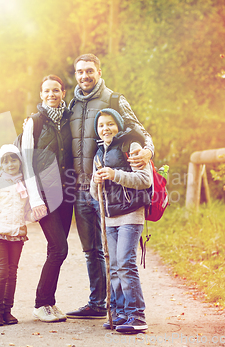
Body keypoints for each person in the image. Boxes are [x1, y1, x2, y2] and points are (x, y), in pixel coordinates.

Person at [66, 53, 155, 319]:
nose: (84, 76)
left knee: (115, 254)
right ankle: (98, 304)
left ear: (99, 72)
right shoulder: (72, 105)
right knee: (91, 250)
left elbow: (140, 131)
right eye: (80, 71)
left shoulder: (115, 100)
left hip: (110, 190)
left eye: (89, 71)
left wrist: (148, 151)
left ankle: (124, 309)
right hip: (83, 187)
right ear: (76, 74)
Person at [90, 108, 152, 332]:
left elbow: (145, 180)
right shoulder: (99, 154)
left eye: (110, 124)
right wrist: (96, 180)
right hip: (110, 217)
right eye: (101, 125)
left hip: (131, 213)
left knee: (125, 264)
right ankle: (119, 314)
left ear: (118, 125)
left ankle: (137, 316)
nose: (105, 129)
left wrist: (115, 174)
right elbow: (95, 194)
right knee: (114, 267)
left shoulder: (132, 146)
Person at [21, 75, 74, 322]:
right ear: (40, 94)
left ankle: (49, 303)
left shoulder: (70, 119)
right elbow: (26, 163)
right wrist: (35, 199)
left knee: (57, 250)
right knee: (59, 248)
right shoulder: (34, 122)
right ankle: (41, 304)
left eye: (56, 90)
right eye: (46, 91)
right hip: (44, 195)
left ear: (63, 92)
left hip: (67, 195)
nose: (51, 94)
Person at [0, 144, 33, 326]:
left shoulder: (24, 184)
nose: (10, 164)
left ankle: (7, 311)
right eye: (6, 161)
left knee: (12, 274)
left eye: (13, 159)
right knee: (1, 273)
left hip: (17, 236)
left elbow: (26, 211)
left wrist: (38, 214)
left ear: (20, 161)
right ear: (1, 164)